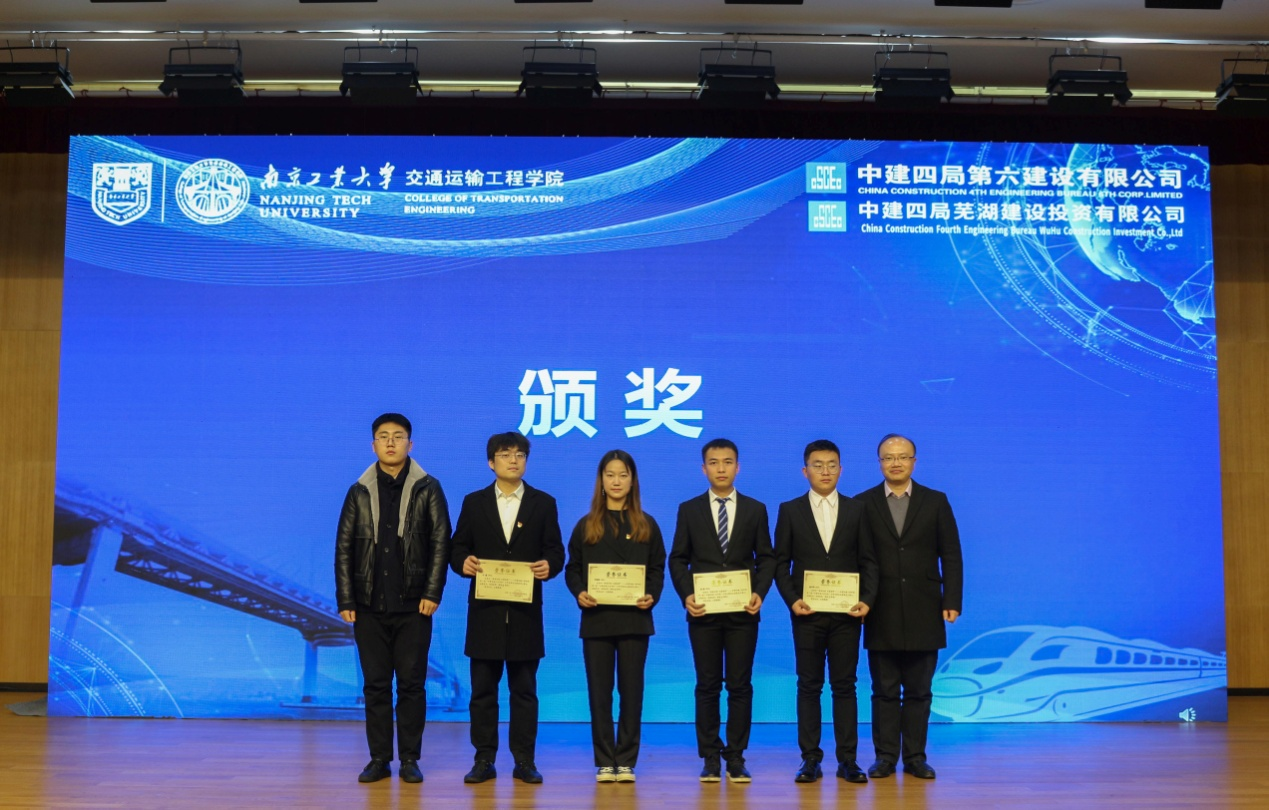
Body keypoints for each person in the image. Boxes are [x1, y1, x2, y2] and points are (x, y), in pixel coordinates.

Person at [335, 413, 452, 784]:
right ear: (373, 445)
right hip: (368, 606)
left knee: (412, 686)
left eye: (398, 436)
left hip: (414, 606)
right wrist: (346, 598)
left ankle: (410, 760)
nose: (390, 442)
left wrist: (432, 592)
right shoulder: (358, 491)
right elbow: (344, 548)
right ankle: (379, 759)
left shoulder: (428, 488)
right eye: (383, 436)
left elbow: (440, 543)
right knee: (375, 686)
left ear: (410, 444)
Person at [450, 431, 564, 785]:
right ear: (491, 462)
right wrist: (463, 562)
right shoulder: (474, 502)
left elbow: (556, 550)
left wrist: (549, 565)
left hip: (525, 613)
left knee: (524, 692)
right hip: (485, 613)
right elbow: (457, 548)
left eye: (520, 454)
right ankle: (483, 759)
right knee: (483, 693)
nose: (513, 460)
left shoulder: (543, 503)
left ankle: (524, 761)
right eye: (505, 454)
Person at [855, 434, 963, 780]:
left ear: (914, 461)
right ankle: (885, 757)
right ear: (879, 463)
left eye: (903, 457)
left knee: (919, 691)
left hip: (925, 608)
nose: (896, 463)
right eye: (888, 458)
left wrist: (952, 600)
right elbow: (855, 558)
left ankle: (915, 758)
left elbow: (951, 554)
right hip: (879, 609)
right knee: (884, 690)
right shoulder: (862, 503)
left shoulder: (936, 501)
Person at [668, 438, 776, 783]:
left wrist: (759, 592)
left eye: (727, 462)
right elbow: (678, 558)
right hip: (704, 613)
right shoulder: (689, 509)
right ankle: (711, 757)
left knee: (741, 686)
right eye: (713, 463)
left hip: (744, 612)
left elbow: (767, 558)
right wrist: (687, 595)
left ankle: (736, 756)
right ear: (704, 469)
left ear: (737, 467)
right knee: (708, 685)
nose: (721, 468)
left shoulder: (756, 509)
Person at [774, 439, 878, 785]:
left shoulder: (857, 509)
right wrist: (792, 600)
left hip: (847, 614)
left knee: (845, 686)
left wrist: (867, 599)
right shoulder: (790, 510)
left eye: (832, 465)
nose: (825, 471)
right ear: (805, 471)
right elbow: (780, 563)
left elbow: (869, 561)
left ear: (841, 469)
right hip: (807, 613)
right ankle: (810, 759)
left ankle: (848, 760)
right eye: (817, 465)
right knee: (809, 685)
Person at [564, 450, 667, 784]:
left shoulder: (646, 524)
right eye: (610, 475)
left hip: (635, 621)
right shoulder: (587, 525)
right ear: (601, 480)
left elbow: (657, 568)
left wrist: (652, 594)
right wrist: (579, 591)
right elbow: (572, 568)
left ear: (632, 480)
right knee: (599, 693)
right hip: (597, 620)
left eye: (623, 475)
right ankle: (604, 760)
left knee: (631, 692)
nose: (616, 481)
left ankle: (626, 760)